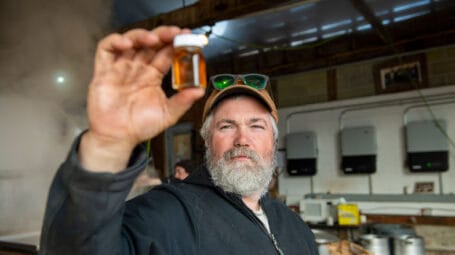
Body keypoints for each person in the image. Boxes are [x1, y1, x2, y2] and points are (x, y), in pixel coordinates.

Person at [39, 26, 318, 255]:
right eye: (226, 126)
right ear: (207, 139)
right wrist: (107, 147)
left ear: (274, 140)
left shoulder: (294, 226)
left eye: (256, 126)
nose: (242, 139)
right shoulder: (167, 214)